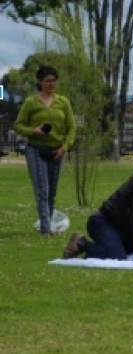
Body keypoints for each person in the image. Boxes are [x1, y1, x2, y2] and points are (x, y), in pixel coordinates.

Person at [13, 65, 76, 235]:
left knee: (52, 191)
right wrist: (33, 131)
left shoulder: (63, 102)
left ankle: (47, 223)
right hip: (36, 149)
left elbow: (71, 128)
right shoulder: (31, 102)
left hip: (56, 150)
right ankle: (45, 229)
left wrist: (64, 148)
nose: (51, 84)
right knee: (43, 189)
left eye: (54, 80)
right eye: (47, 81)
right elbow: (18, 125)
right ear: (40, 82)